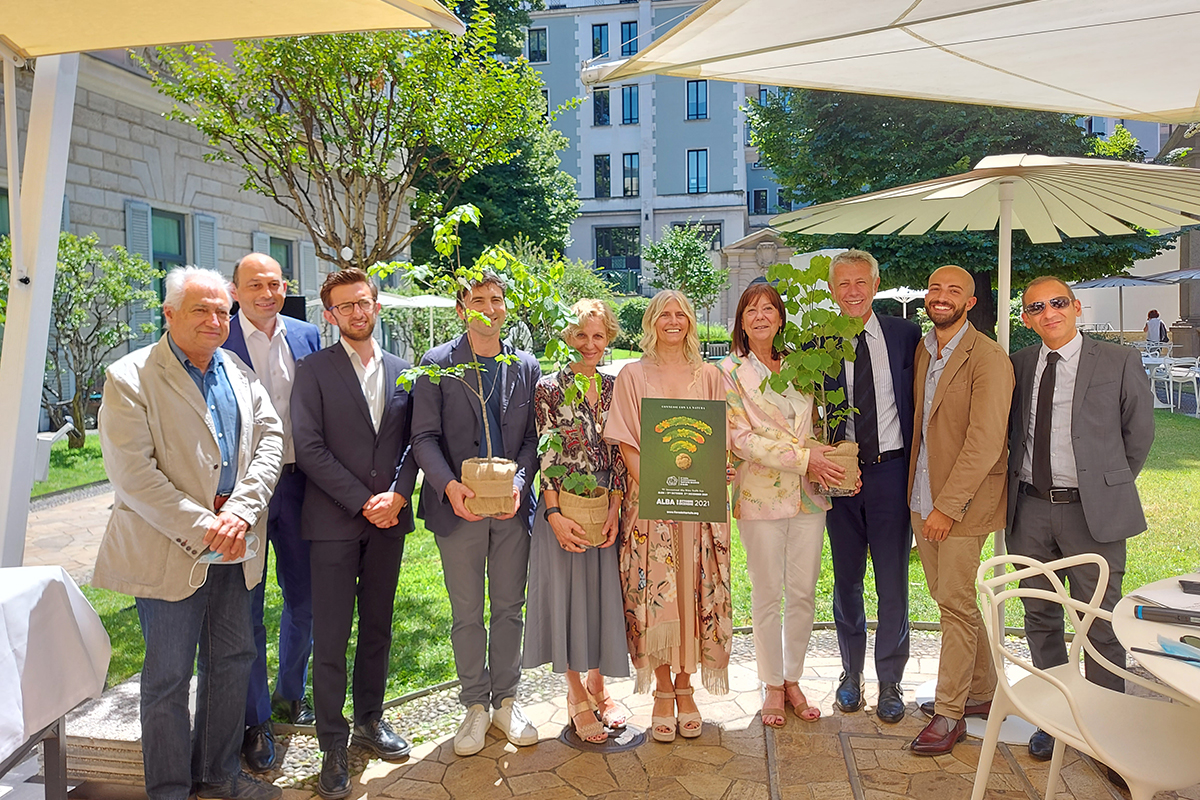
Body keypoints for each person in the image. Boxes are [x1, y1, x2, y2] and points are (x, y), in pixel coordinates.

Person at [93, 266, 284, 800]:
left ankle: (218, 777)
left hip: (235, 546)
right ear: (169, 313)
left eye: (223, 310)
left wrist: (240, 514)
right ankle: (171, 790)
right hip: (171, 550)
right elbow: (134, 477)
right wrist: (207, 527)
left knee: (233, 663)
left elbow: (271, 440)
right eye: (202, 309)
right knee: (168, 679)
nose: (215, 320)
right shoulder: (129, 377)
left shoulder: (239, 372)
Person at [1007, 277, 1154, 772]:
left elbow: (1138, 434)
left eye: (1057, 303)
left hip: (1094, 513)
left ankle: (1105, 727)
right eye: (1036, 307)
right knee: (1040, 616)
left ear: (1076, 308)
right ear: (1026, 318)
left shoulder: (1117, 361)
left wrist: (1103, 487)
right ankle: (1055, 719)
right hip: (1029, 510)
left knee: (1101, 621)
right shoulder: (1021, 364)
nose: (1048, 312)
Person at [291, 268, 418, 799]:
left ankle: (369, 719)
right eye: (345, 307)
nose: (357, 312)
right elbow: (310, 446)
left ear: (377, 306)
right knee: (333, 638)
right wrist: (363, 500)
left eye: (364, 303)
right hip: (333, 524)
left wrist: (400, 493)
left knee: (378, 629)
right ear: (330, 314)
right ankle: (331, 744)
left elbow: (418, 441)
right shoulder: (312, 371)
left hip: (389, 523)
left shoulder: (404, 371)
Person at [410, 271, 542, 756]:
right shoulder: (437, 364)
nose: (489, 307)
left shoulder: (525, 366)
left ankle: (506, 700)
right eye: (478, 300)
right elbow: (422, 436)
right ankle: (474, 706)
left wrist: (520, 483)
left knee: (510, 608)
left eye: (497, 299)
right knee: (467, 613)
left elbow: (532, 440)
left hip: (510, 510)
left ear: (506, 306)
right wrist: (449, 486)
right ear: (463, 308)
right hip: (458, 510)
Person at [604, 289, 733, 743]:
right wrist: (662, 491)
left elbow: (719, 440)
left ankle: (686, 685)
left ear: (692, 322)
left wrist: (717, 471)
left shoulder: (711, 377)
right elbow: (626, 443)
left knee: (694, 591)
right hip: (650, 507)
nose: (673, 321)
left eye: (682, 314)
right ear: (651, 322)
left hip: (700, 508)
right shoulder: (632, 376)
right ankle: (661, 687)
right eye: (665, 314)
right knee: (656, 593)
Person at [719, 282, 845, 728]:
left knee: (804, 593)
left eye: (768, 308)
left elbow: (815, 421)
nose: (760, 316)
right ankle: (771, 684)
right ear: (741, 320)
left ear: (780, 316)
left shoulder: (799, 366)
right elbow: (739, 438)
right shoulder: (729, 372)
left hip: (810, 495)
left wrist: (821, 457)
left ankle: (794, 679)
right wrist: (805, 459)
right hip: (760, 494)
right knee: (768, 593)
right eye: (751, 309)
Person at [908, 265, 1013, 756]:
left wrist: (947, 508)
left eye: (954, 290)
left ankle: (950, 714)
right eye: (935, 288)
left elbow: (986, 442)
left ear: (971, 302)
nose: (941, 296)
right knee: (951, 599)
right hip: (920, 498)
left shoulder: (989, 358)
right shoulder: (925, 350)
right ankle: (983, 692)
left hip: (961, 506)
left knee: (953, 604)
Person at [225, 252, 322, 772]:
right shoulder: (219, 340)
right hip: (244, 493)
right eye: (255, 284)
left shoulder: (307, 337)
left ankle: (291, 693)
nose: (267, 292)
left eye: (275, 283)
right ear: (235, 290)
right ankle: (254, 719)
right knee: (247, 607)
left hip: (301, 485)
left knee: (304, 600)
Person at [522, 299, 630, 743]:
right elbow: (546, 451)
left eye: (598, 336)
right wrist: (552, 513)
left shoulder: (617, 385)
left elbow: (625, 446)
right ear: (568, 337)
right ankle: (574, 694)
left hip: (607, 503)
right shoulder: (548, 387)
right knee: (567, 599)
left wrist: (616, 506)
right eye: (581, 335)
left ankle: (599, 686)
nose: (590, 344)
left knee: (605, 596)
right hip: (563, 502)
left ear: (609, 338)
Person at [824, 250, 921, 724]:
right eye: (843, 284)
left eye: (861, 282)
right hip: (839, 475)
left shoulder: (905, 336)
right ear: (831, 290)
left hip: (890, 473)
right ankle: (849, 673)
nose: (853, 291)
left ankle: (891, 681)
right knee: (846, 581)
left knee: (892, 582)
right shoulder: (817, 343)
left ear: (876, 284)